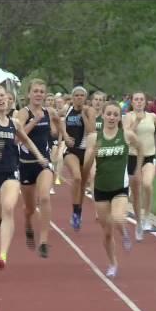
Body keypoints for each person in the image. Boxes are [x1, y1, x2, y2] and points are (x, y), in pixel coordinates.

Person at [0, 84, 48, 270]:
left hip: (11, 172)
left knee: (8, 207)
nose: (1, 99)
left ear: (8, 98)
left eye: (3, 95)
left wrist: (39, 156)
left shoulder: (15, 123)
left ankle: (2, 254)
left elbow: (26, 140)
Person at [83, 101, 144, 279]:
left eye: (115, 114)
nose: (111, 117)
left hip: (120, 187)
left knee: (118, 218)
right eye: (108, 114)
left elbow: (140, 149)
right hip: (101, 189)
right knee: (107, 232)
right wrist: (93, 154)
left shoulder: (126, 135)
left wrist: (138, 169)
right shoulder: (95, 138)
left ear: (119, 117)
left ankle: (124, 233)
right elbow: (86, 165)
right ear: (103, 116)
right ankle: (112, 262)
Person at [17, 79, 62, 258]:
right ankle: (28, 223)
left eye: (41, 92)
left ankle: (43, 241)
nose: (38, 94)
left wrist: (63, 135)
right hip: (26, 165)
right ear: (29, 94)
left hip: (44, 164)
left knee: (44, 197)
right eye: (35, 91)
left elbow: (59, 121)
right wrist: (35, 120)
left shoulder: (49, 112)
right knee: (29, 208)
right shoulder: (22, 113)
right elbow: (18, 139)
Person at [123, 92, 156, 240]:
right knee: (135, 192)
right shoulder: (128, 117)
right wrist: (137, 122)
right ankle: (138, 223)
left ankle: (146, 217)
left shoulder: (152, 116)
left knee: (147, 184)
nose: (139, 102)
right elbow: (127, 134)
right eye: (136, 100)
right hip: (133, 157)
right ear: (132, 102)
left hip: (149, 156)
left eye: (141, 99)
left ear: (145, 102)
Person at [59, 86, 96, 231]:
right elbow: (58, 121)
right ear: (72, 97)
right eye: (77, 95)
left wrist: (84, 116)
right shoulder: (66, 110)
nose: (79, 98)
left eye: (82, 95)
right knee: (77, 178)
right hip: (71, 151)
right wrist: (65, 136)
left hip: (86, 152)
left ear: (85, 98)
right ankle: (75, 211)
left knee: (82, 186)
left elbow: (91, 130)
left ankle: (77, 212)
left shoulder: (89, 110)